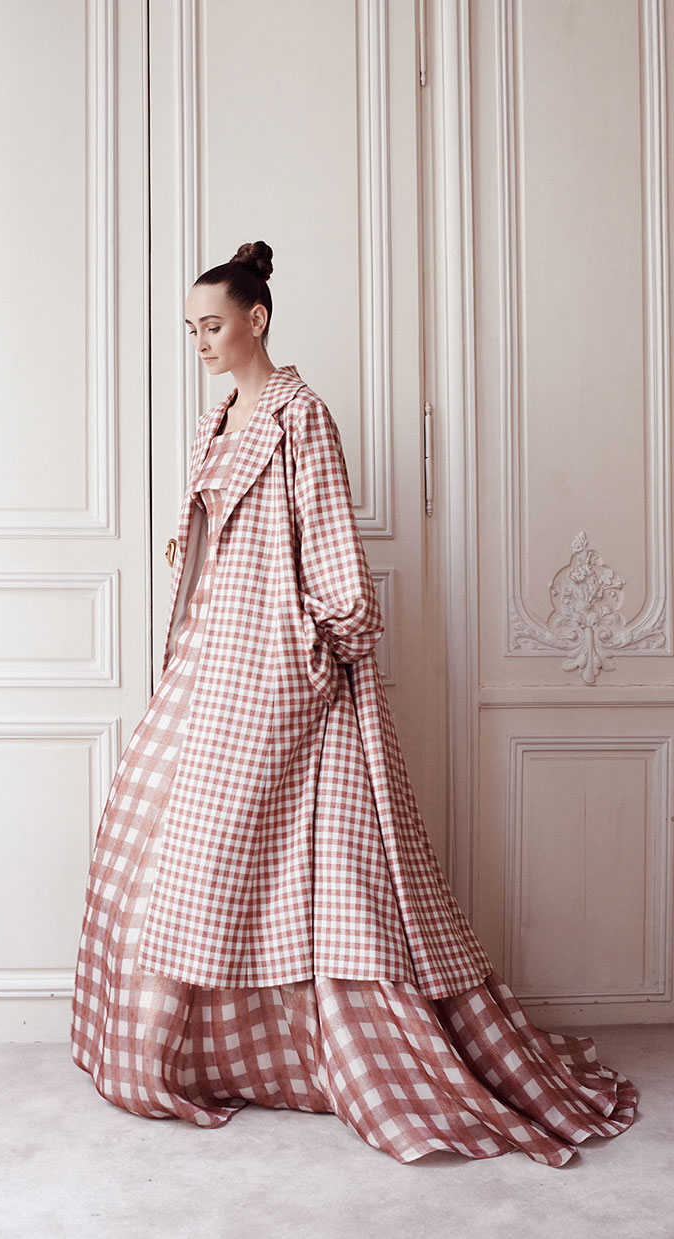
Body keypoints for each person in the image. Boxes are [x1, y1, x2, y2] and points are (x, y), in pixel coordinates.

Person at [71, 240, 637, 1166]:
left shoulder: (301, 415)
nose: (200, 342)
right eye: (191, 329)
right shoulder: (220, 417)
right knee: (164, 842)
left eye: (212, 325)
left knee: (291, 861)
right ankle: (205, 1051)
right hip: (211, 655)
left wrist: (319, 643)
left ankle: (325, 1050)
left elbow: (333, 546)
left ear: (256, 319)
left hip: (280, 663)